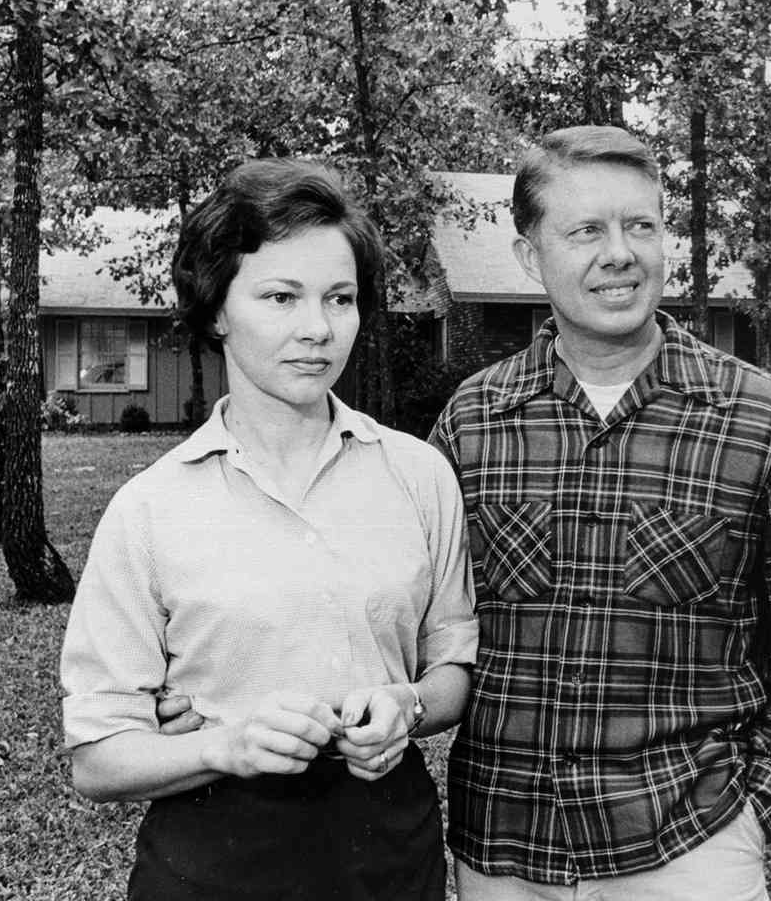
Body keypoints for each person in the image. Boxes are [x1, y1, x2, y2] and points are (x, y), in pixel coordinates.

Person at [428, 125, 771, 900]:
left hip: (689, 848)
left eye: (641, 225)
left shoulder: (759, 417)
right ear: (530, 256)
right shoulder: (474, 418)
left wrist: (753, 815)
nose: (618, 252)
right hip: (503, 852)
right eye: (586, 230)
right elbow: (414, 616)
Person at [59, 159, 478, 900]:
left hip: (389, 859)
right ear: (216, 309)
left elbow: (453, 670)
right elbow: (96, 760)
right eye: (280, 297)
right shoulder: (149, 510)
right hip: (213, 865)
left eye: (340, 299)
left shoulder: (418, 476)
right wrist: (229, 744)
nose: (316, 329)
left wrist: (406, 707)